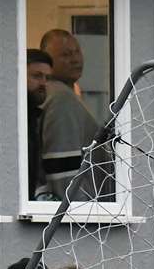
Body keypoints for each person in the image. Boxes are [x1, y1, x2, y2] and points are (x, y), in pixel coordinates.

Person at [39, 28, 114, 202]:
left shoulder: (64, 93)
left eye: (76, 52)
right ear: (48, 62)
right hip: (79, 216)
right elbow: (62, 170)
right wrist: (77, 212)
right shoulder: (60, 98)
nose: (74, 59)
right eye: (65, 55)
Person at [24, 48, 51, 200]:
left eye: (47, 78)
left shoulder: (34, 117)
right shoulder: (18, 117)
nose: (43, 83)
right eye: (36, 76)